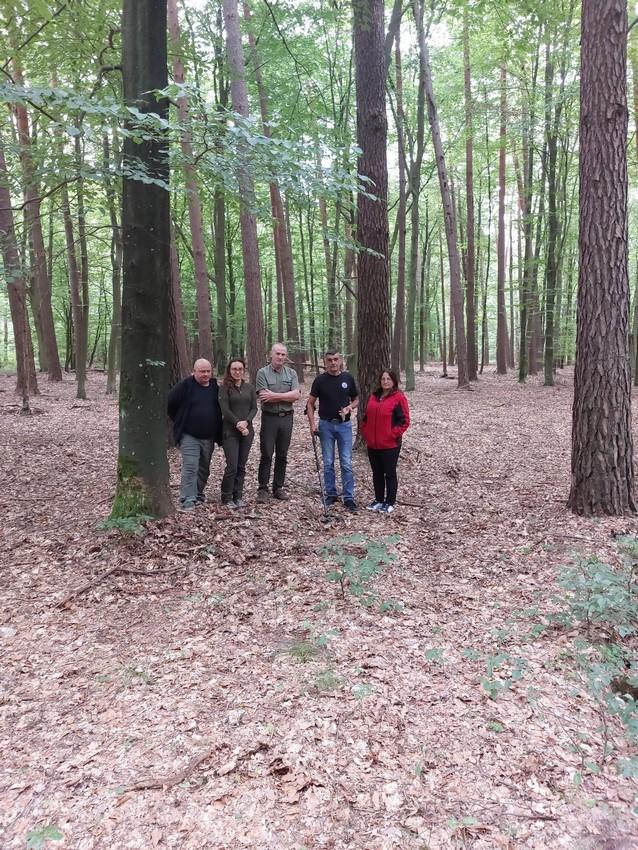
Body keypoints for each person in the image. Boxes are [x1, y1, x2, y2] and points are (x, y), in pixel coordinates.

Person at [306, 350, 359, 512]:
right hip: (326, 426)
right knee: (328, 462)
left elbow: (356, 399)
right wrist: (312, 424)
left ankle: (348, 497)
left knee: (346, 462)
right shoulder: (320, 380)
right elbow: (310, 403)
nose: (333, 362)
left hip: (344, 426)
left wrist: (350, 407)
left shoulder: (348, 378)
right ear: (325, 362)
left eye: (336, 359)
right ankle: (331, 493)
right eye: (329, 360)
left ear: (340, 360)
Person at [167, 358, 223, 511]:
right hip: (189, 435)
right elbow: (170, 403)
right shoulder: (185, 386)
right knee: (191, 466)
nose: (205, 374)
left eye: (208, 371)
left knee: (204, 468)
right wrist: (180, 419)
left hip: (209, 436)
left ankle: (198, 493)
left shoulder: (214, 387)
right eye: (202, 371)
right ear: (194, 372)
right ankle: (187, 499)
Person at [359, 369, 410, 514]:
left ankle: (390, 502)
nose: (385, 381)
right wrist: (366, 432)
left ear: (394, 381)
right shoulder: (374, 396)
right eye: (383, 379)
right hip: (373, 444)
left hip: (390, 444)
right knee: (377, 473)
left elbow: (404, 421)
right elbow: (366, 417)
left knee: (389, 473)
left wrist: (392, 435)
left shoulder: (399, 397)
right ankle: (379, 500)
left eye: (388, 379)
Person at [255, 342, 301, 502]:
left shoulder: (291, 373)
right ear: (271, 354)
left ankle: (278, 487)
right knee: (267, 453)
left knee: (282, 454)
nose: (280, 357)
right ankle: (262, 488)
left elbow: (296, 395)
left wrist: (274, 395)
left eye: (283, 354)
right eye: (278, 354)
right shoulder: (262, 373)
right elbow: (264, 397)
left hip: (287, 418)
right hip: (270, 418)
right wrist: (286, 396)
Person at [218, 358, 257, 508]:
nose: (237, 372)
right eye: (234, 369)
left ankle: (238, 495)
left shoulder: (249, 387)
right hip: (230, 431)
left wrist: (246, 421)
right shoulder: (224, 388)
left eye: (240, 369)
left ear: (244, 370)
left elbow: (254, 408)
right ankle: (226, 496)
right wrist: (238, 423)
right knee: (232, 466)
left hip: (247, 431)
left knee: (241, 465)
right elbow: (225, 410)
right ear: (229, 370)